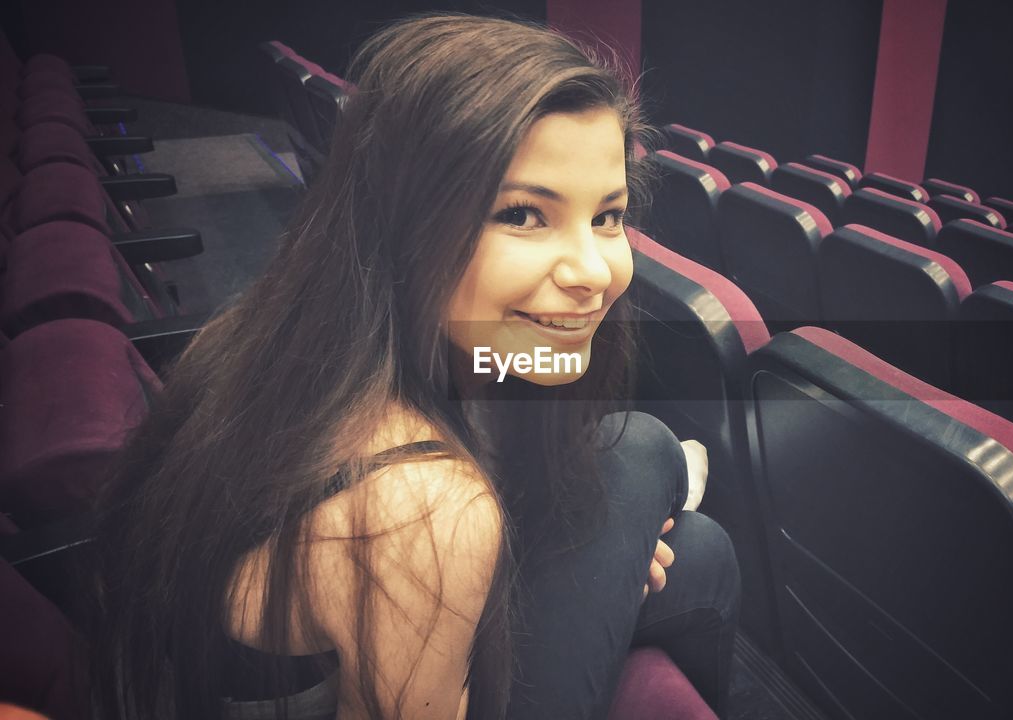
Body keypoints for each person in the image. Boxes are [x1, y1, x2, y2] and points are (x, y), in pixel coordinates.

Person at [89, 12, 740, 720]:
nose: (594, 271)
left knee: (693, 545)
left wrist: (607, 560)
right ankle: (673, 482)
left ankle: (662, 496)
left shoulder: (290, 329)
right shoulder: (423, 508)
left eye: (608, 216)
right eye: (522, 215)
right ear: (407, 217)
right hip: (409, 593)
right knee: (646, 452)